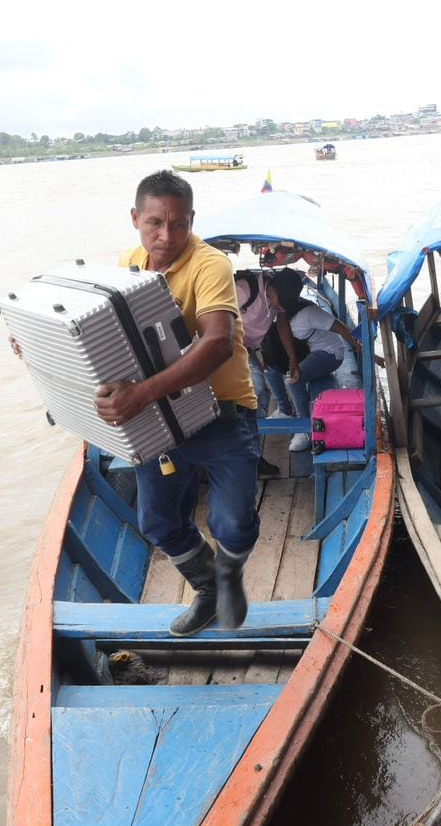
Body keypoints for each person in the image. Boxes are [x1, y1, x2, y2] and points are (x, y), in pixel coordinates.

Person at [99, 170, 261, 635]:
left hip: (220, 415)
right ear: (135, 218)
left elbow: (217, 344)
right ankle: (210, 589)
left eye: (178, 224)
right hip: (159, 421)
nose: (166, 236)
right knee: (158, 521)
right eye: (154, 223)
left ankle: (228, 577)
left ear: (192, 220)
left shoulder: (210, 265)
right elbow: (103, 337)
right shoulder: (127, 264)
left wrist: (141, 393)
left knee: (233, 522)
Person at [264, 268, 362, 452]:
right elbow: (282, 328)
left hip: (329, 354)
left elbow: (340, 327)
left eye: (271, 295)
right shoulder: (283, 310)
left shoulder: (309, 313)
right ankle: (285, 410)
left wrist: (359, 346)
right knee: (270, 369)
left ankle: (306, 430)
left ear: (282, 294)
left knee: (294, 381)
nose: (268, 300)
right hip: (307, 350)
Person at [233, 267, 282, 476]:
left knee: (258, 397)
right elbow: (217, 318)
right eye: (279, 301)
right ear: (271, 290)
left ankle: (252, 454)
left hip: (248, 348)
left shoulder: (276, 301)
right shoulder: (244, 289)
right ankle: (244, 454)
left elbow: (277, 325)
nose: (279, 307)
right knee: (255, 391)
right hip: (229, 348)